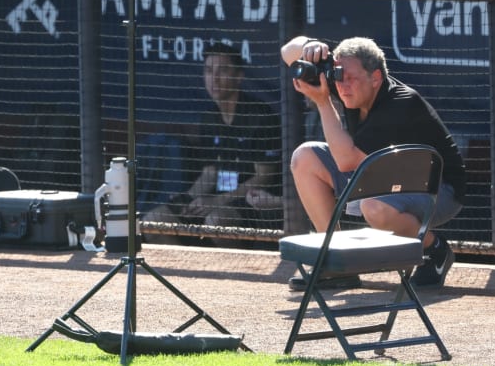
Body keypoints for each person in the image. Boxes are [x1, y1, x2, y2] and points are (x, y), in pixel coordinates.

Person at [281, 35, 465, 290]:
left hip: (436, 190)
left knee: (374, 207)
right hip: (382, 175)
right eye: (339, 76)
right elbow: (287, 52)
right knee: (305, 157)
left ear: (375, 77)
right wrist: (308, 46)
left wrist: (323, 102)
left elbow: (346, 162)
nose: (343, 85)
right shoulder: (346, 80)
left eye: (352, 78)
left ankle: (435, 250)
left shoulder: (399, 104)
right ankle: (333, 261)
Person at [145, 42, 282, 231]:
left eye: (223, 70)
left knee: (216, 222)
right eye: (209, 71)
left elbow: (264, 177)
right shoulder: (209, 118)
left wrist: (217, 201)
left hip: (253, 201)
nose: (214, 79)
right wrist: (189, 198)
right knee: (154, 220)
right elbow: (210, 172)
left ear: (239, 76)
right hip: (215, 198)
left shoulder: (261, 117)